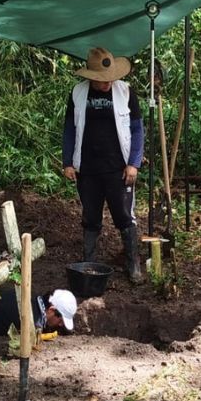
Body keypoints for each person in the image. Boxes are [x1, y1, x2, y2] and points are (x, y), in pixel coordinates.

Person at [62, 46, 145, 283]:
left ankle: (133, 265)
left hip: (118, 167)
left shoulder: (126, 92)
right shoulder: (78, 93)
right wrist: (67, 161)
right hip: (87, 167)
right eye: (101, 80)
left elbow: (137, 130)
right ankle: (87, 263)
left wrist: (134, 163)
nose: (107, 84)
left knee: (124, 216)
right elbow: (69, 128)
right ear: (90, 77)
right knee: (90, 216)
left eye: (110, 79)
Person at [0, 288, 78, 336]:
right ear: (51, 310)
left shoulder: (31, 295)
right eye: (61, 321)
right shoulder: (33, 322)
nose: (60, 325)